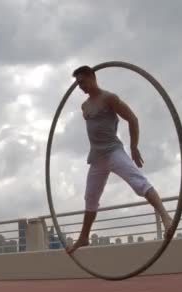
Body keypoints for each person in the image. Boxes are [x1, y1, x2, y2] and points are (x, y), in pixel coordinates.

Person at [66, 65, 173, 254]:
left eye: (82, 82)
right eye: (77, 83)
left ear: (92, 77)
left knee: (138, 182)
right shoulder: (84, 106)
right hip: (96, 157)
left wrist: (133, 147)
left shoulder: (109, 98)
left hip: (113, 151)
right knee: (90, 197)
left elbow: (132, 119)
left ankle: (165, 217)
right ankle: (84, 237)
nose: (80, 87)